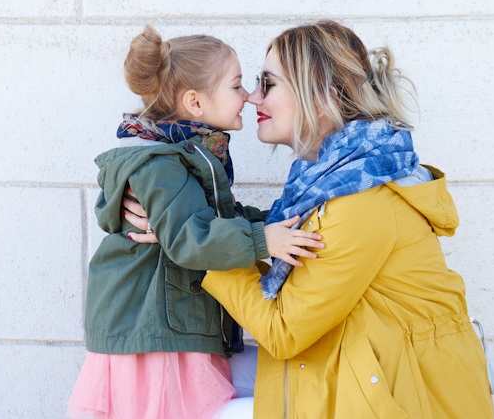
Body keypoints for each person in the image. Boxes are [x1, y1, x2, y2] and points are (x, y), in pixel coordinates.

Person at [127, 20, 494, 418]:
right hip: (364, 372)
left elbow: (282, 331)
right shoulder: (331, 181)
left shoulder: (360, 200)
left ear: (320, 96)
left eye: (267, 83)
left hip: (403, 401)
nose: (253, 98)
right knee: (162, 388)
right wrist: (188, 220)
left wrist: (198, 243)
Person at [67, 25, 323, 419]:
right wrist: (262, 240)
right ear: (195, 103)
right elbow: (191, 238)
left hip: (169, 328)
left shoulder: (183, 156)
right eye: (237, 86)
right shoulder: (162, 164)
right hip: (157, 337)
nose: (248, 96)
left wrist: (277, 220)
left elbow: (217, 218)